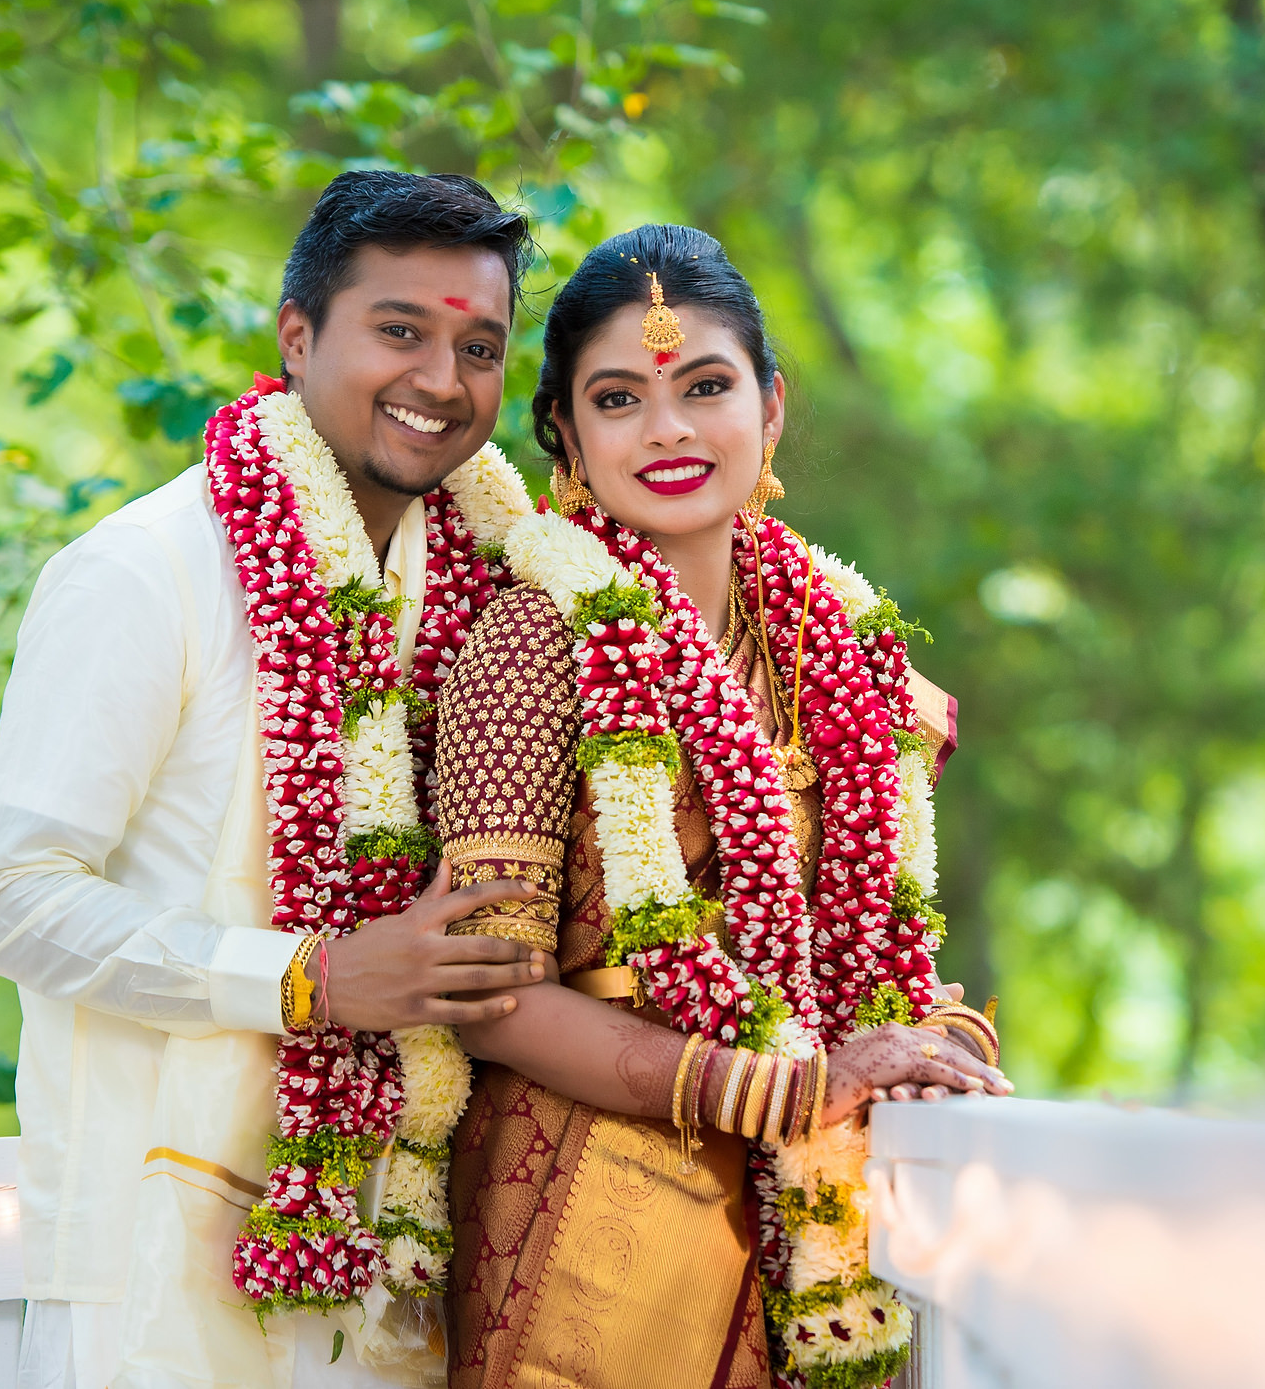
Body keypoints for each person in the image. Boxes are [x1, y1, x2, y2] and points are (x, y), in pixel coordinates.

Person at [0, 171, 554, 1389]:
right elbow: (11, 900)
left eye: (478, 346)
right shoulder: (143, 571)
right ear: (296, 334)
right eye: (399, 330)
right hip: (160, 1269)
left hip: (395, 1261)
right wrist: (308, 977)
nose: (442, 381)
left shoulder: (490, 593)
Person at [430, 224, 1013, 1389]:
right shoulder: (530, 642)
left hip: (823, 1216)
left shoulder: (839, 651)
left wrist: (935, 1044)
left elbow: (863, 950)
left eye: (706, 385)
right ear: (564, 436)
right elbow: (488, 994)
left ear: (772, 406)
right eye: (619, 398)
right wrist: (794, 1085)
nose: (671, 430)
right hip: (590, 1233)